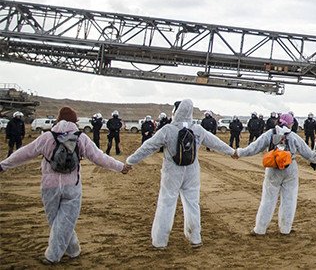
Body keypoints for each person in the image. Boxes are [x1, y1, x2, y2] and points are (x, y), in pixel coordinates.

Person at [1, 107, 130, 264]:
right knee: (65, 221)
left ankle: (64, 253)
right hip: (72, 186)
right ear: (75, 122)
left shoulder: (47, 137)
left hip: (49, 186)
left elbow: (25, 152)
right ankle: (60, 254)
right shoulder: (81, 138)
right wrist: (120, 167)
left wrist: (4, 165)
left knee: (57, 221)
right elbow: (99, 157)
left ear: (58, 119)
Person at [126, 99, 236, 248]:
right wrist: (232, 152)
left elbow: (148, 146)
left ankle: (160, 241)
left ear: (175, 112)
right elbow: (215, 143)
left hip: (172, 172)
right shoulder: (197, 129)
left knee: (166, 203)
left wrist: (131, 161)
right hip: (192, 171)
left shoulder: (168, 130)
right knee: (192, 204)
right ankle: (195, 237)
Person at [237, 112, 316, 235]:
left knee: (268, 199)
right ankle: (285, 229)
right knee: (289, 199)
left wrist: (239, 152)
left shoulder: (270, 134)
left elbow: (254, 147)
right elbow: (307, 152)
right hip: (290, 168)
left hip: (272, 169)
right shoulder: (293, 136)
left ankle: (260, 229)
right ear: (290, 123)